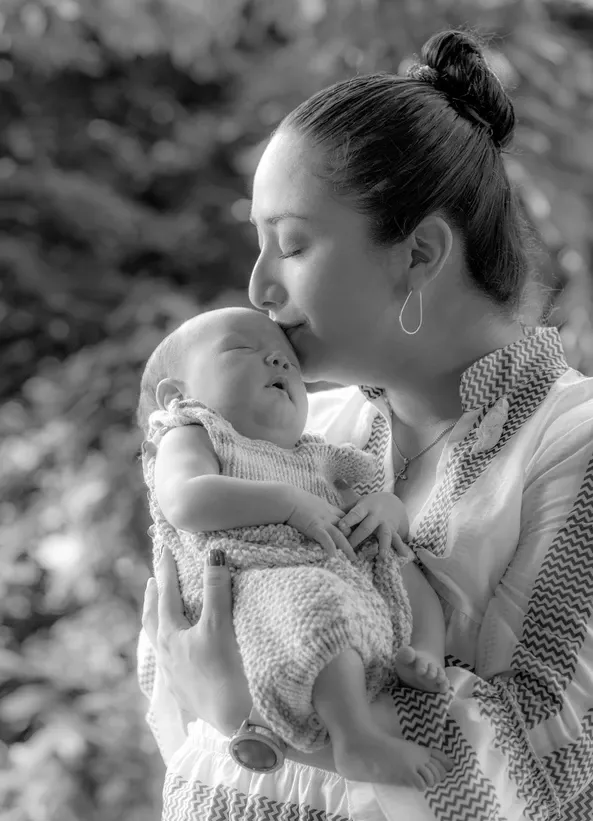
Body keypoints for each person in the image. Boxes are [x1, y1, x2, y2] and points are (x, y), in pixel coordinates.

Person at [139, 28, 593, 821]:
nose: (258, 289)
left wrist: (248, 712)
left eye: (290, 244)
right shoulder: (300, 433)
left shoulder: (573, 443)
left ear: (418, 254)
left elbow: (550, 752)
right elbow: (174, 655)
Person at [138, 305, 450, 790]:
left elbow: (372, 489)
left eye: (287, 360)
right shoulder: (193, 433)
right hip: (252, 579)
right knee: (314, 596)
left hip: (330, 571)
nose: (280, 363)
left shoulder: (316, 451)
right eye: (245, 349)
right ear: (179, 395)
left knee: (401, 564)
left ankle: (422, 653)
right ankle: (354, 738)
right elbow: (182, 500)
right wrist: (286, 504)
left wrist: (389, 509)